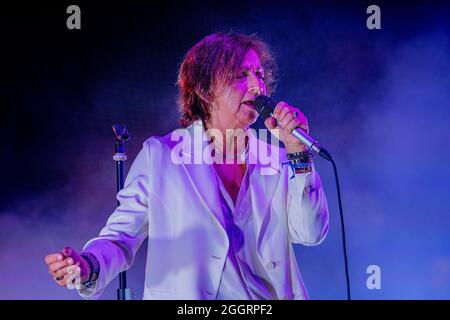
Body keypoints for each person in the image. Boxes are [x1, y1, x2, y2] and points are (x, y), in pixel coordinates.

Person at [44, 32, 329, 300]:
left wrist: (298, 152)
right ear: (205, 90)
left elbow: (311, 232)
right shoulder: (163, 156)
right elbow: (120, 238)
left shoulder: (279, 158)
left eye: (259, 74)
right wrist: (87, 266)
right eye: (241, 75)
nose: (258, 86)